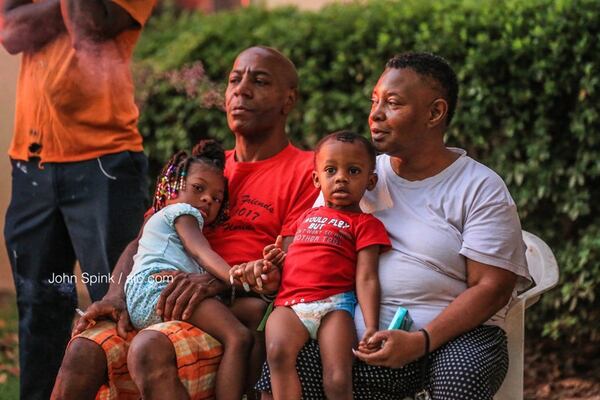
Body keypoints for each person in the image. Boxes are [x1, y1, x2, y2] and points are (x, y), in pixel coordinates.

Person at [250, 52, 532, 399]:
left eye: (392, 103)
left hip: (448, 340)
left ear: (435, 112)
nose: (375, 115)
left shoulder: (479, 187)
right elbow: (309, 252)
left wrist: (420, 341)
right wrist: (277, 276)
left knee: (462, 378)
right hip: (348, 335)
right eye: (374, 101)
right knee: (283, 362)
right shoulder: (353, 173)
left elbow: (492, 287)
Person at [51, 46, 319, 400]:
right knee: (82, 350)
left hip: (226, 312)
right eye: (234, 80)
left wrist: (219, 283)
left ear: (288, 100)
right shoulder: (204, 172)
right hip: (159, 296)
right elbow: (144, 238)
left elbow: (290, 262)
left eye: (260, 81)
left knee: (150, 347)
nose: (241, 89)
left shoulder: (307, 171)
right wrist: (116, 294)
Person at [1, 0, 155, 398]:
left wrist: (46, 14)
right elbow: (11, 32)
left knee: (118, 302)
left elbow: (90, 25)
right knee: (40, 305)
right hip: (31, 165)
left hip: (105, 162)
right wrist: (59, 14)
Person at [125, 140, 280, 400]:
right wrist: (235, 276)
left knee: (255, 310)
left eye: (217, 198)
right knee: (238, 337)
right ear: (174, 188)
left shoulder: (166, 220)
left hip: (151, 293)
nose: (208, 199)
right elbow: (202, 252)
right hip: (159, 289)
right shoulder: (182, 212)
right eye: (198, 188)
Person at [244, 131, 390, 399]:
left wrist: (370, 324)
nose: (341, 178)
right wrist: (274, 263)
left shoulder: (366, 224)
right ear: (316, 178)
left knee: (337, 376)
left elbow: (367, 278)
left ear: (370, 181)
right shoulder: (304, 217)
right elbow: (290, 260)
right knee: (277, 354)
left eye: (354, 171)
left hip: (335, 306)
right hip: (290, 305)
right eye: (331, 170)